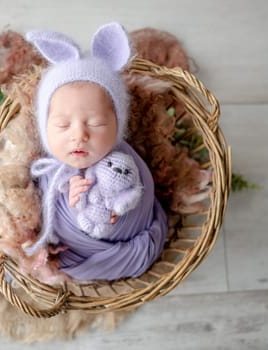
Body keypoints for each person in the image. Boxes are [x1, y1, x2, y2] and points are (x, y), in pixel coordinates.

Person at [25, 22, 168, 281]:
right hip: (71, 255)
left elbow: (139, 198)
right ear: (45, 128)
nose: (79, 135)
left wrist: (119, 207)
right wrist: (72, 203)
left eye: (96, 123)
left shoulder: (127, 163)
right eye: (63, 125)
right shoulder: (46, 170)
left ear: (117, 127)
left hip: (123, 248)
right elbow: (43, 219)